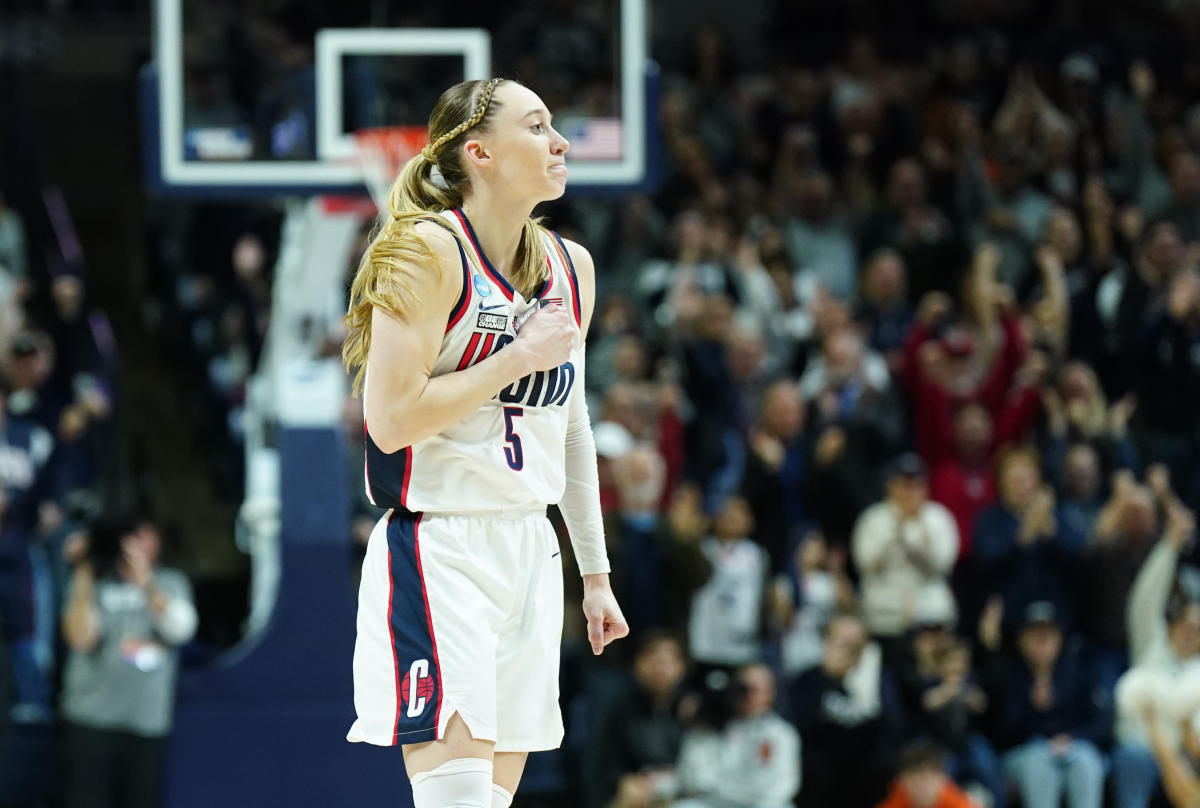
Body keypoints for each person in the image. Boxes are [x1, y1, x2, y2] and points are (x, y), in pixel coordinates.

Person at [340, 77, 629, 808]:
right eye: (537, 127)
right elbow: (391, 421)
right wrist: (516, 358)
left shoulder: (572, 268)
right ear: (480, 152)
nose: (560, 141)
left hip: (530, 552)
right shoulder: (425, 254)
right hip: (442, 549)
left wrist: (593, 574)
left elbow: (570, 424)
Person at [59, 516, 198, 808]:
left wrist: (146, 583)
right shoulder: (92, 583)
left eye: (144, 535)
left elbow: (181, 629)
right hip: (90, 719)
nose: (135, 545)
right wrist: (84, 569)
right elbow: (81, 638)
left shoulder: (171, 582)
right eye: (129, 537)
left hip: (145, 722)